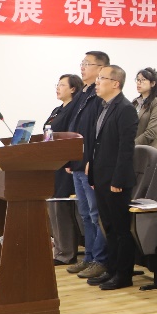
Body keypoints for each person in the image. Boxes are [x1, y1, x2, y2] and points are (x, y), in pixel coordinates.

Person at [85, 65, 139, 290]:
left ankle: (123, 275)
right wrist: (92, 169)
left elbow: (125, 149)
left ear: (115, 83)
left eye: (102, 78)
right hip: (102, 176)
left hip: (116, 180)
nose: (97, 82)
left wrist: (118, 179)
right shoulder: (104, 106)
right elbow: (98, 143)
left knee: (120, 229)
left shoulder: (125, 109)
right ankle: (112, 269)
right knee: (108, 226)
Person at [66, 51, 109, 281]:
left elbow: (97, 134)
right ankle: (89, 256)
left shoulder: (99, 95)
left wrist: (91, 160)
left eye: (87, 64)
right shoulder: (84, 93)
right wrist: (71, 159)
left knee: (95, 214)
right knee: (85, 214)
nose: (82, 67)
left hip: (90, 164)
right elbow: (75, 128)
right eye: (82, 63)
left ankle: (100, 260)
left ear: (101, 68)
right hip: (78, 162)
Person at [46, 73, 84, 265]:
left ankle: (66, 253)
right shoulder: (57, 109)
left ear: (73, 89)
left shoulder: (74, 109)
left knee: (61, 207)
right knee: (53, 207)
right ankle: (59, 249)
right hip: (52, 162)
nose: (58, 88)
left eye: (62, 85)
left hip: (65, 164)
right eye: (57, 84)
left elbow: (70, 137)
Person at [132, 67, 157, 147]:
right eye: (138, 80)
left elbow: (151, 133)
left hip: (149, 149)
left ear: (152, 84)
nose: (139, 83)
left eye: (143, 80)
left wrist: (131, 144)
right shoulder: (135, 102)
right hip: (132, 147)